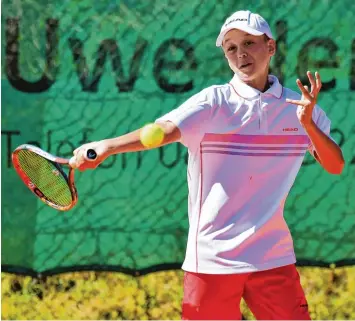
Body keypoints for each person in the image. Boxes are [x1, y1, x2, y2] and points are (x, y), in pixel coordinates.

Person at [71, 10, 345, 320]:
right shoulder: (213, 102)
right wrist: (107, 146)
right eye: (231, 48)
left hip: (272, 257)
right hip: (212, 260)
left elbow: (335, 165)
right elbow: (162, 131)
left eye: (249, 43)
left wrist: (308, 124)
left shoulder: (298, 108)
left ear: (271, 47)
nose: (240, 54)